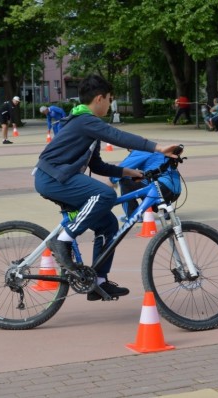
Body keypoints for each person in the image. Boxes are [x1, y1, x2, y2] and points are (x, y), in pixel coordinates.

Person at [33, 74, 180, 301]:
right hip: (53, 178)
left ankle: (98, 282)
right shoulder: (86, 120)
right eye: (110, 99)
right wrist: (157, 148)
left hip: (61, 177)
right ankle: (63, 240)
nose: (110, 105)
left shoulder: (86, 125)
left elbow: (97, 165)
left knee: (109, 223)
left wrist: (128, 172)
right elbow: (118, 136)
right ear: (100, 98)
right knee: (105, 194)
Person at [110, 150, 182, 221]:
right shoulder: (156, 149)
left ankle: (132, 216)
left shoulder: (139, 150)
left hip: (161, 188)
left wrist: (112, 180)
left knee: (125, 179)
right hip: (175, 192)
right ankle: (166, 210)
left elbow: (122, 168)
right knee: (147, 180)